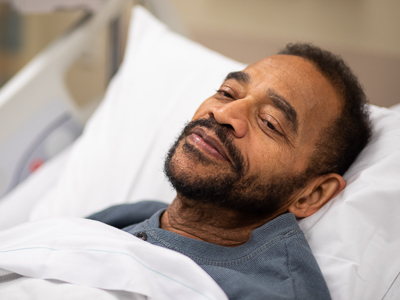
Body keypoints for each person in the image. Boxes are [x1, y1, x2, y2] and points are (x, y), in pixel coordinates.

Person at [88, 43, 371, 299]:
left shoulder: (271, 292)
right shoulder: (127, 217)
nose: (223, 114)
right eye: (227, 93)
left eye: (270, 122)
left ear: (312, 194)